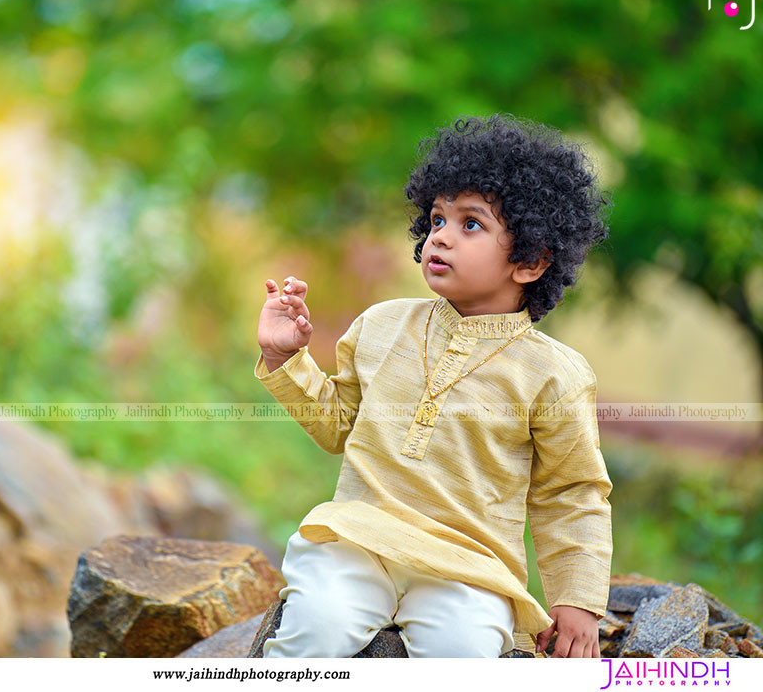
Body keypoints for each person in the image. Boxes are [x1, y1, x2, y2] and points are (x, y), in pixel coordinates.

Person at [254, 113, 613, 658]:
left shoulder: (554, 374)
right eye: (437, 218)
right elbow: (338, 427)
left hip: (471, 567)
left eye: (471, 224)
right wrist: (285, 357)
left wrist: (578, 601)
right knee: (316, 627)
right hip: (358, 539)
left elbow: (571, 493)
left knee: (463, 652)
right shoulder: (382, 325)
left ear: (532, 260)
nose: (441, 235)